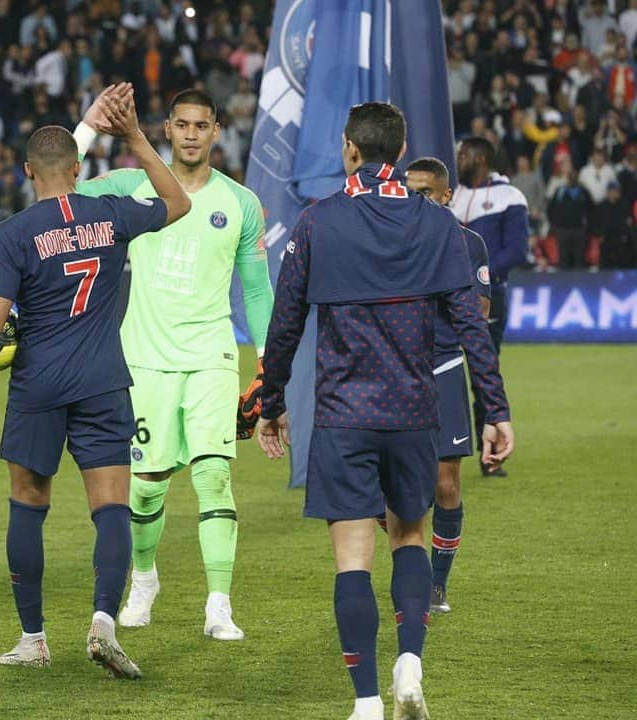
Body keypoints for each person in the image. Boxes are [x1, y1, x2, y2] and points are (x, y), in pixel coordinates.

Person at [255, 104, 514, 720]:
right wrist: (494, 409)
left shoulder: (316, 224)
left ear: (349, 149)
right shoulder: (437, 224)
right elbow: (472, 328)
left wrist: (271, 404)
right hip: (413, 412)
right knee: (409, 538)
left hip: (344, 416)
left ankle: (367, 703)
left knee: (351, 556)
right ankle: (411, 666)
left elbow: (285, 324)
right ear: (398, 153)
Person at [0, 84, 190, 678]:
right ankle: (104, 622)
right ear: (79, 169)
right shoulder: (110, 213)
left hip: (39, 387)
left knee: (28, 505)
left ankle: (34, 639)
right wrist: (134, 138)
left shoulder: (14, 232)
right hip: (104, 381)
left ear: (28, 171)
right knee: (111, 508)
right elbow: (176, 202)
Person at [74, 88, 273, 640]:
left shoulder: (241, 204)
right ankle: (145, 581)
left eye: (200, 125)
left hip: (211, 356)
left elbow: (257, 294)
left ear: (215, 132)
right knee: (147, 484)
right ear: (167, 129)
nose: (190, 133)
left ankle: (218, 604)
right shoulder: (127, 188)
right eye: (181, 124)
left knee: (214, 475)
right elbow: (55, 183)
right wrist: (91, 126)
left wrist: (268, 368)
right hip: (143, 360)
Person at [404, 157, 493, 615]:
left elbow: (477, 313)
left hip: (441, 368)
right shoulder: (390, 238)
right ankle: (413, 563)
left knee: (446, 486)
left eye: (425, 192)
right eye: (409, 190)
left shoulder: (468, 243)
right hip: (395, 370)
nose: (415, 199)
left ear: (446, 196)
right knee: (391, 489)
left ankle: (436, 585)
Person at [450, 136, 528, 477]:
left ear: (481, 158)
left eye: (464, 154)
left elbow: (517, 249)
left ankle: (490, 454)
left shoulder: (509, 196)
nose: (459, 158)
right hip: (447, 297)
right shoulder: (454, 193)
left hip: (488, 296)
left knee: (483, 372)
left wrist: (480, 277)